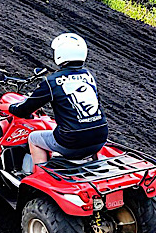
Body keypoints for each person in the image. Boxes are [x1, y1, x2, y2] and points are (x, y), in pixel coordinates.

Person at [8, 33, 108, 173]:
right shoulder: (89, 76)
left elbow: (24, 109)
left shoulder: (52, 81)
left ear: (61, 54)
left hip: (71, 141)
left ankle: (40, 177)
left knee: (33, 138)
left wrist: (11, 108)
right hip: (101, 137)